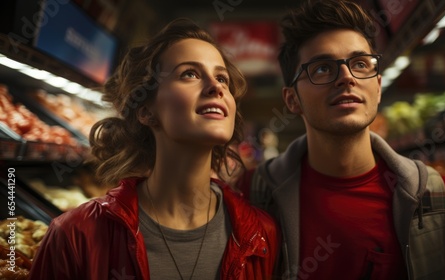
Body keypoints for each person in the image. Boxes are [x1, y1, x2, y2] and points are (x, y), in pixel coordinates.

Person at [239, 1, 445, 279]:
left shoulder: (431, 194)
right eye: (322, 68)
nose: (347, 77)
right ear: (292, 100)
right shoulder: (253, 194)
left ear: (377, 87)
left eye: (361, 64)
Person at [29, 18, 279, 280]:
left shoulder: (261, 235)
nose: (216, 87)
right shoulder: (76, 235)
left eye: (222, 78)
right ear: (146, 111)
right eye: (189, 74)